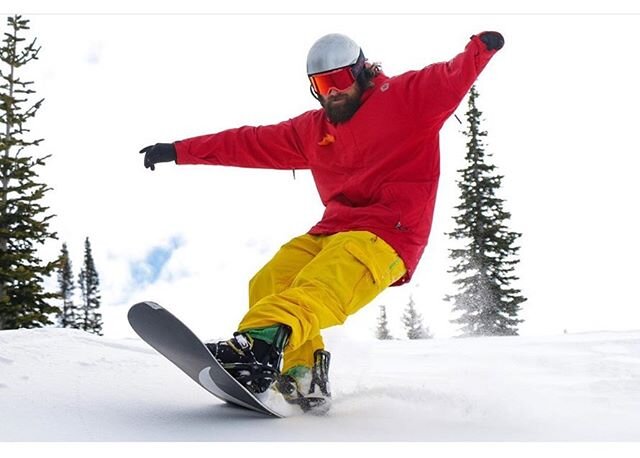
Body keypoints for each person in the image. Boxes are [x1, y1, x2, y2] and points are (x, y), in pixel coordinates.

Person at [139, 31, 504, 412]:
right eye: (321, 84)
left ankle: (257, 348)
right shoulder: (312, 131)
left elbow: (451, 76)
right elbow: (248, 142)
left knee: (318, 285)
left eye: (339, 81)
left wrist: (481, 48)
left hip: (387, 237)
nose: (332, 92)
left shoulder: (406, 99)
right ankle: (304, 378)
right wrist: (180, 151)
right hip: (332, 230)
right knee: (271, 279)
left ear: (362, 72)